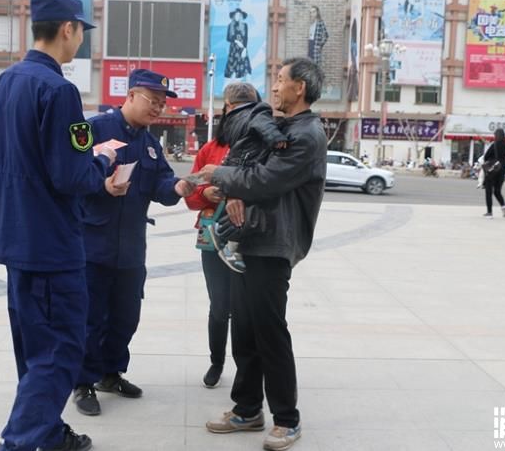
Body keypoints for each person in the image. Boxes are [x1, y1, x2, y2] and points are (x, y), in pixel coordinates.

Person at [0, 0, 115, 451]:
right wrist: (101, 161)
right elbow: (72, 174)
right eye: (81, 32)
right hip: (53, 248)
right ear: (68, 30)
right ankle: (19, 443)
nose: (80, 42)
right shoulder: (59, 91)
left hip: (13, 243)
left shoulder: (2, 85)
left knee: (35, 354)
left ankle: (49, 434)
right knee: (59, 354)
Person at [198, 57, 328, 451]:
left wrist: (217, 175)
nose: (274, 86)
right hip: (251, 237)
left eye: (280, 80)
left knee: (270, 332)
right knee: (245, 329)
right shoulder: (280, 127)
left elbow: (265, 180)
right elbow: (247, 172)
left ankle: (287, 419)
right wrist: (233, 188)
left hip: (275, 242)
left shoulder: (307, 134)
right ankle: (247, 408)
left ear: (299, 88)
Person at [73, 69, 195, 416]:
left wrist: (179, 188)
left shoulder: (150, 144)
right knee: (90, 318)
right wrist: (102, 186)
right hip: (92, 245)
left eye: (161, 103)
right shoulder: (94, 129)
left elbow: (162, 185)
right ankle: (82, 382)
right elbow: (70, 176)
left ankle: (111, 374)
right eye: (151, 100)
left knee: (126, 317)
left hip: (130, 251)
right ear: (129, 96)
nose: (157, 108)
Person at [206, 82, 288, 273]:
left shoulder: (232, 122)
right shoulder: (258, 114)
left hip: (235, 164)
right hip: (245, 165)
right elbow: (264, 126)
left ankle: (228, 242)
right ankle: (225, 237)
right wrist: (276, 138)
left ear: (229, 105)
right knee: (243, 210)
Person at [184, 112, 233, 389]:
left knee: (247, 307)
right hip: (213, 234)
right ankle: (217, 361)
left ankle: (248, 364)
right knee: (219, 305)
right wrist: (204, 194)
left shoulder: (261, 147)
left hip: (250, 235)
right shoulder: (210, 149)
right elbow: (190, 193)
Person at [482, 128, 505, 219]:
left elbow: (486, 156)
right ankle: (503, 206)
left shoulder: (494, 145)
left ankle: (489, 213)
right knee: (497, 191)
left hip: (493, 170)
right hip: (502, 170)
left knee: (489, 191)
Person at [224, 8, 252, 80]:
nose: (237, 17)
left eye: (239, 15)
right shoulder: (230, 25)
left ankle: (241, 80)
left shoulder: (244, 25)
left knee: (243, 65)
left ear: (241, 16)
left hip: (242, 48)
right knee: (231, 66)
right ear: (233, 16)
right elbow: (228, 38)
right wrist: (236, 41)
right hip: (233, 49)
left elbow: (246, 38)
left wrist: (244, 48)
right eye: (236, 15)